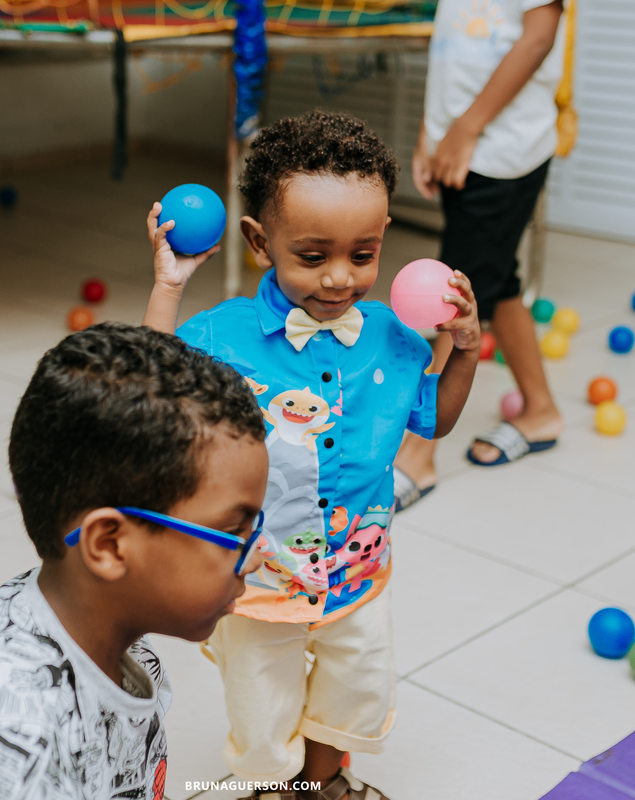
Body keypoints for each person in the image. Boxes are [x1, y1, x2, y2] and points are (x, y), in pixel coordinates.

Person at [142, 110, 480, 800]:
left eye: (362, 256)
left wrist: (464, 347)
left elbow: (435, 419)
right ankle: (274, 788)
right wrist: (170, 286)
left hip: (357, 571)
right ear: (261, 242)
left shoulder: (392, 336)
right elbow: (150, 387)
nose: (338, 279)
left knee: (352, 686)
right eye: (312, 255)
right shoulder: (222, 335)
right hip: (261, 578)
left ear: (384, 238)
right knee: (262, 706)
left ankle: (325, 782)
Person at [0, 323, 269, 799]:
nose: (255, 558)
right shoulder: (7, 750)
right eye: (233, 532)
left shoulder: (102, 629)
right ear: (108, 545)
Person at [402, 0, 568, 474]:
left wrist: (465, 128)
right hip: (462, 143)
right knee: (496, 274)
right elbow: (451, 51)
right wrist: (431, 134)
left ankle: (418, 455)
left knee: (455, 293)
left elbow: (539, 37)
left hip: (503, 150)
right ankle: (539, 410)